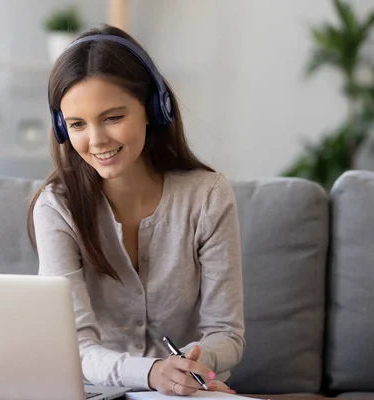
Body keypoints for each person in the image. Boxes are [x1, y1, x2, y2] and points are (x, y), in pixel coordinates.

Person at [27, 24, 245, 397]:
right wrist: (151, 372)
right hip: (93, 392)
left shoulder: (208, 196)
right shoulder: (55, 207)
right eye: (78, 124)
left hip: (180, 392)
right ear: (63, 129)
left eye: (113, 117)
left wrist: (189, 368)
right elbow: (73, 347)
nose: (96, 140)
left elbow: (227, 334)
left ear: (153, 110)